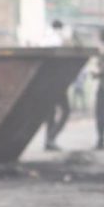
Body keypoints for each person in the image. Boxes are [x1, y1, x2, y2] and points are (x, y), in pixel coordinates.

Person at [42, 19, 72, 151]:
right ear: (60, 28)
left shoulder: (45, 38)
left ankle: (48, 142)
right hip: (57, 81)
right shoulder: (58, 39)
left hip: (45, 81)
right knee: (66, 110)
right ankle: (51, 138)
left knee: (50, 112)